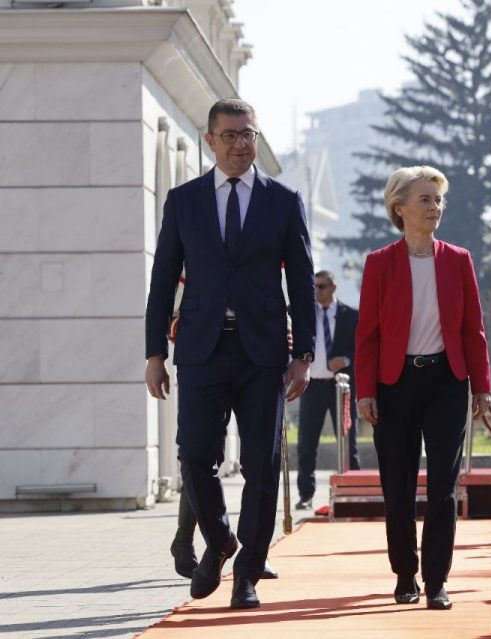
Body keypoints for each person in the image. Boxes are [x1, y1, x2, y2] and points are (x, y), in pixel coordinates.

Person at [145, 98, 316, 610]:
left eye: (249, 135)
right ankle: (220, 540)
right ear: (210, 140)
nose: (242, 144)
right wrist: (154, 352)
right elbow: (161, 282)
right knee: (195, 454)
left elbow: (302, 282)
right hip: (201, 347)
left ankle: (246, 574)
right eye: (232, 135)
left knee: (262, 466)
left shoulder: (282, 201)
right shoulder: (184, 200)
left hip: (262, 352)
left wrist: (303, 352)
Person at [355, 165, 491, 611]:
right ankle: (404, 575)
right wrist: (365, 390)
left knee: (443, 488)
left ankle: (437, 581)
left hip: (447, 382)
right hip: (394, 384)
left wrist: (481, 386)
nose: (435, 207)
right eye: (426, 200)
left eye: (438, 200)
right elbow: (367, 334)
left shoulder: (458, 259)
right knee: (397, 484)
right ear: (400, 208)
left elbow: (474, 329)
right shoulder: (379, 263)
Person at [296, 270, 361, 510]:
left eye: (321, 286)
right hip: (312, 386)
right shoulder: (303, 314)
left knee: (347, 441)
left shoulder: (351, 316)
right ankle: (305, 494)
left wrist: (346, 359)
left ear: (333, 287)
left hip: (340, 388)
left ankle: (354, 490)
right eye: (314, 287)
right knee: (306, 443)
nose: (317, 291)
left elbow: (363, 349)